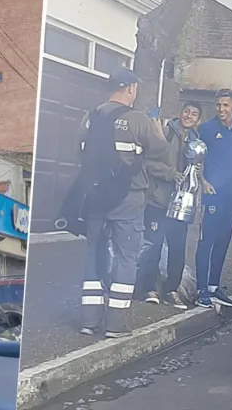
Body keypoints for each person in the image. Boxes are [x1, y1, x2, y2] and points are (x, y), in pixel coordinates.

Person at [78, 67, 169, 338]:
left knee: (94, 253)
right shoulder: (137, 120)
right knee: (127, 256)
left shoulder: (90, 117)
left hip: (94, 197)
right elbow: (160, 150)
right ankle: (116, 324)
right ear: (131, 88)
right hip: (128, 197)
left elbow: (79, 152)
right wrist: (159, 130)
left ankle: (88, 320)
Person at [137, 102, 202, 310]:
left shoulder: (197, 143)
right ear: (180, 113)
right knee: (153, 246)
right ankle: (148, 288)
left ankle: (171, 291)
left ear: (198, 120)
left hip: (181, 205)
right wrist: (171, 174)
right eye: (186, 111)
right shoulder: (164, 132)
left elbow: (198, 171)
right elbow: (147, 162)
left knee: (177, 249)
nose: (188, 116)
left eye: (194, 114)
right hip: (158, 201)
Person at [194, 89, 232, 308]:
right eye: (218, 105)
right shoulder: (207, 129)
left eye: (226, 105)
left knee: (223, 240)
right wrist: (203, 181)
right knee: (206, 239)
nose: (222, 109)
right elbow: (196, 158)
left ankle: (213, 286)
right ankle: (201, 289)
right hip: (212, 192)